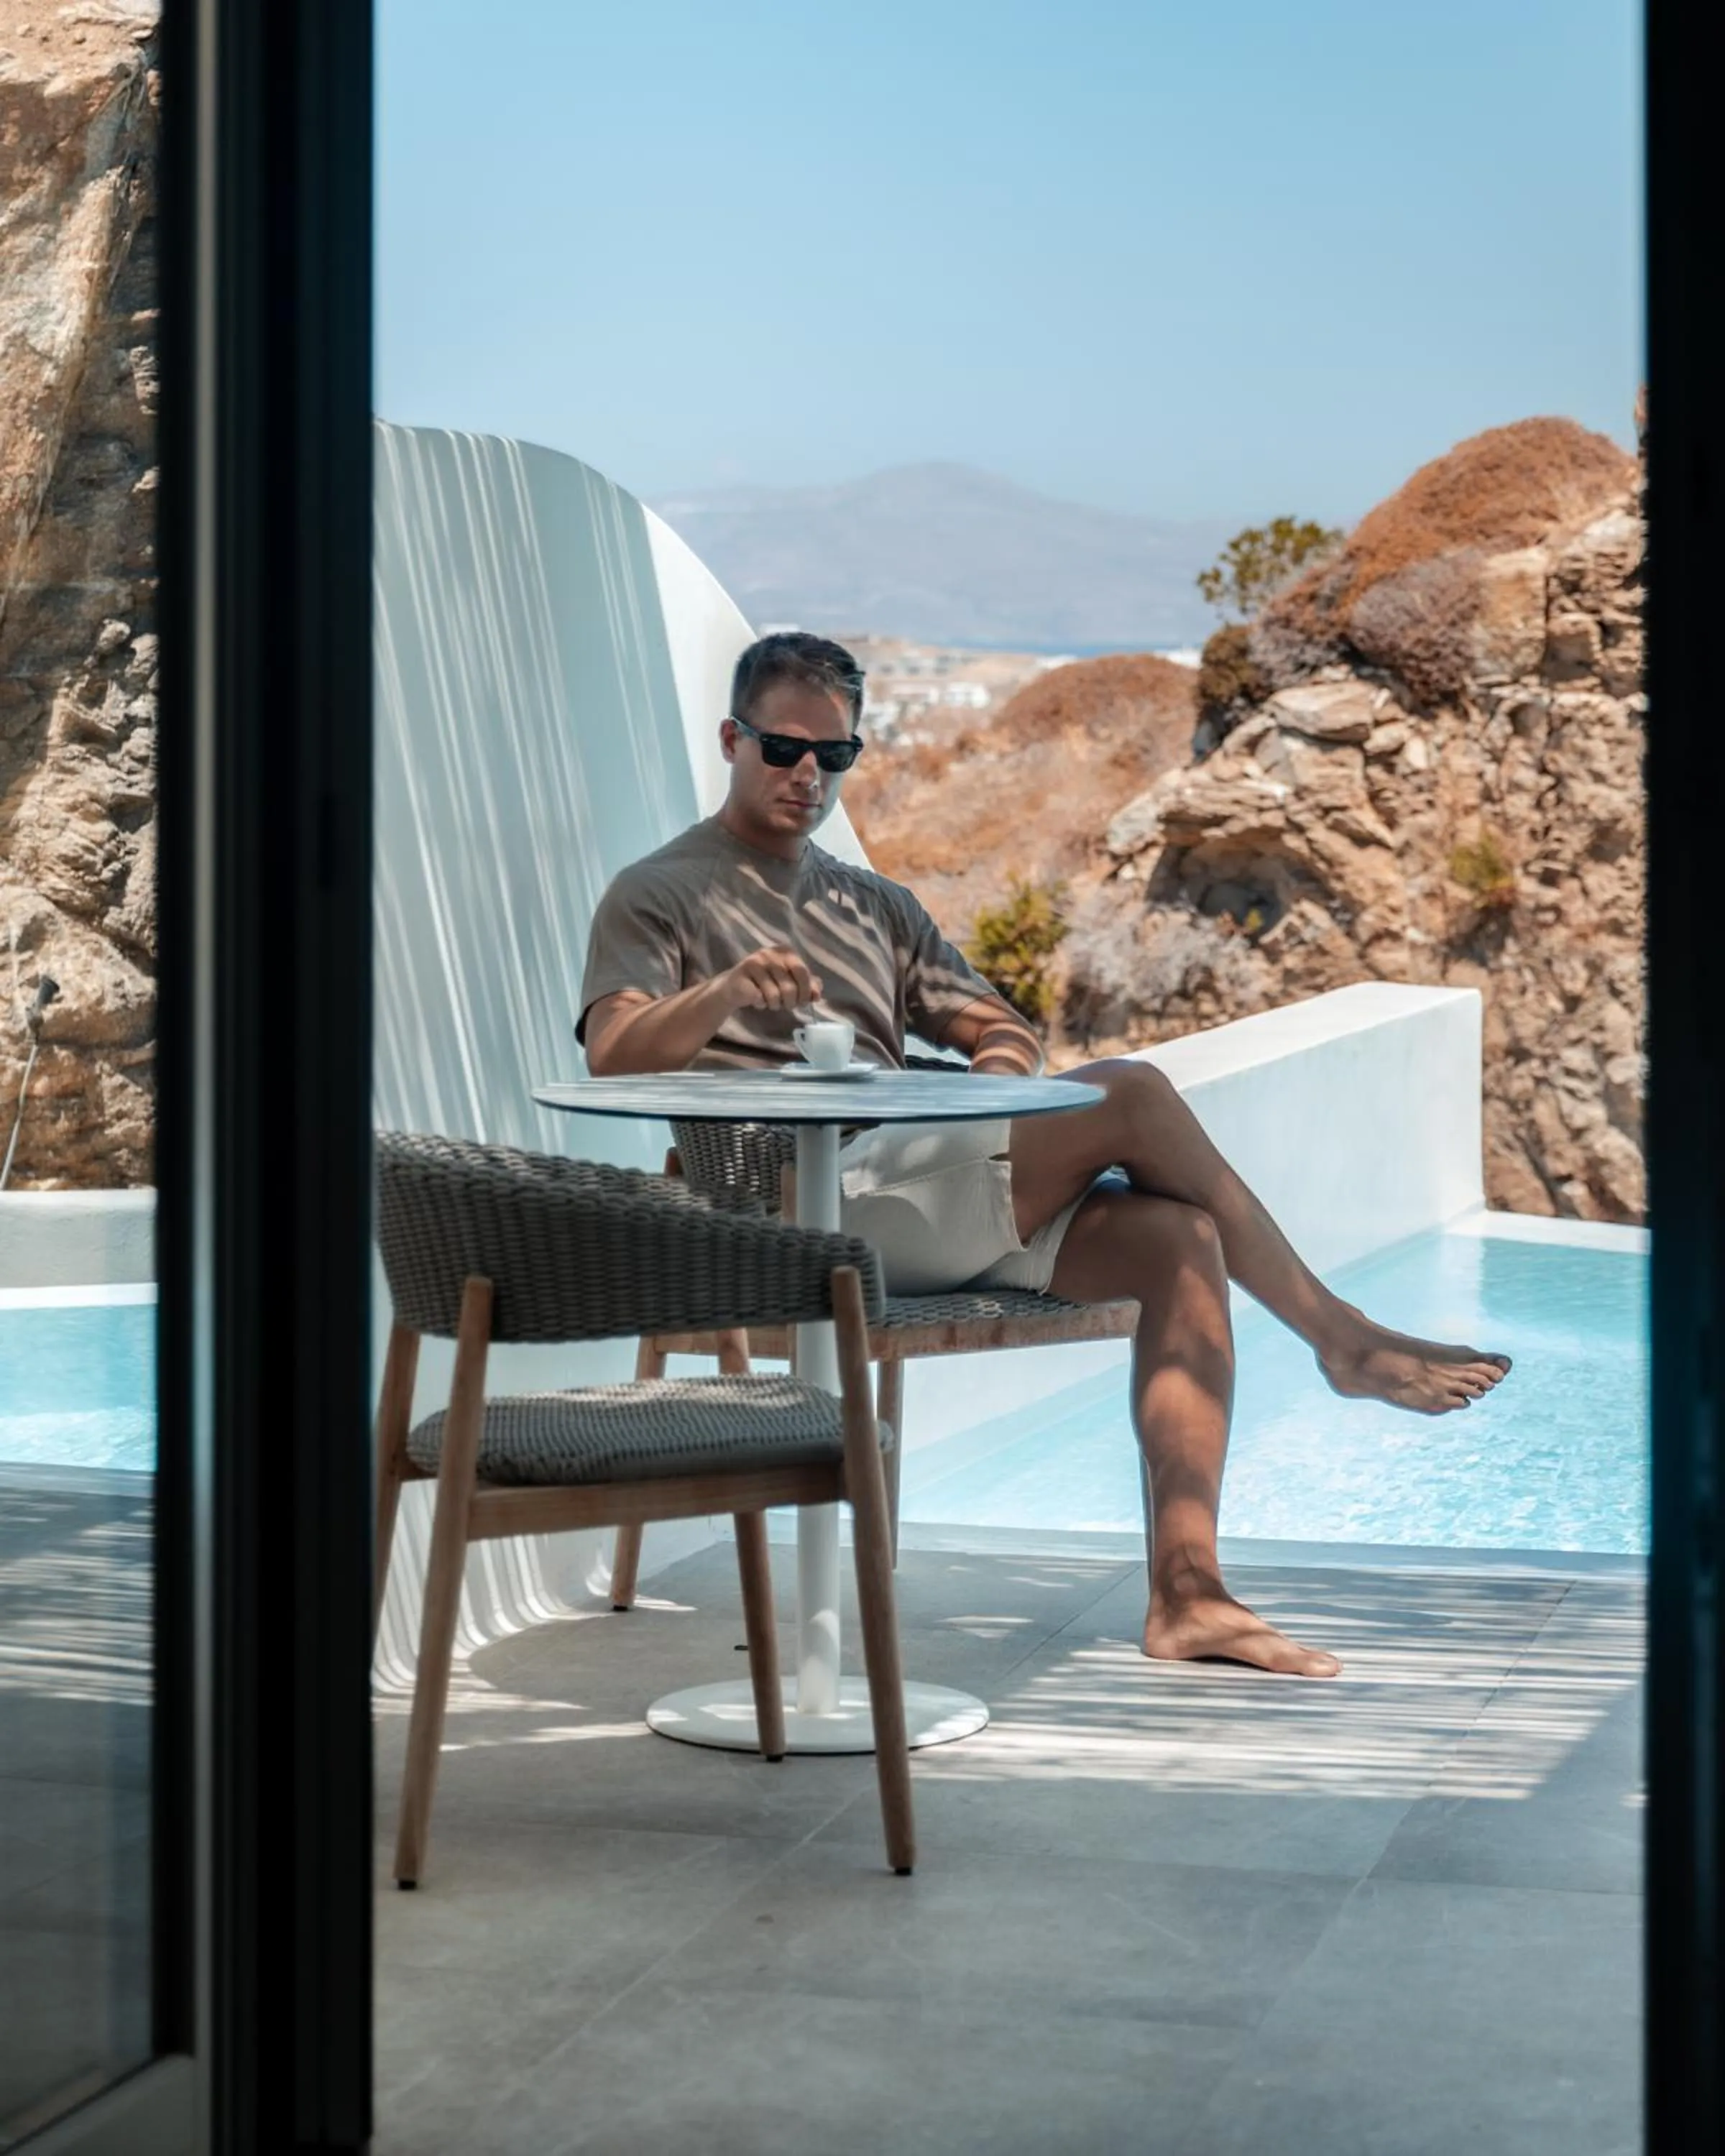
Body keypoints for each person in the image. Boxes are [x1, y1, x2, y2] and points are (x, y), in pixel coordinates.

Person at [579, 632, 1512, 1679]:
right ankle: (1338, 1337)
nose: (807, 776)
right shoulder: (661, 890)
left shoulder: (870, 904)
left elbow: (996, 1024)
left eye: (833, 758)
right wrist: (726, 994)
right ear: (732, 739)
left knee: (1175, 1240)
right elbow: (614, 1052)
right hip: (788, 1214)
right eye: (785, 749)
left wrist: (996, 1084)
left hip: (913, 1188)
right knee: (1134, 1092)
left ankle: (1188, 1594)